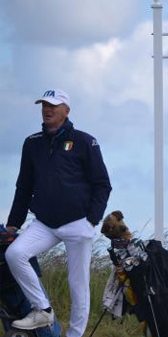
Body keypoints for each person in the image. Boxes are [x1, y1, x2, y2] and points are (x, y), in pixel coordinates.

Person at [5, 88, 112, 337]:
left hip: (78, 223)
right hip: (45, 223)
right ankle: (42, 309)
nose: (47, 109)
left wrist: (91, 221)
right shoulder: (32, 143)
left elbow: (102, 184)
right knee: (15, 254)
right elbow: (24, 186)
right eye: (44, 105)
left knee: (78, 285)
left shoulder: (85, 141)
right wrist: (13, 224)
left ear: (66, 110)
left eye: (53, 105)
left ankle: (74, 335)